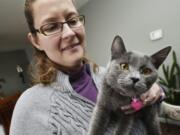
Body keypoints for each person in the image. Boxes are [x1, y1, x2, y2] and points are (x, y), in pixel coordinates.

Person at [10, 0, 165, 135]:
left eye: (72, 20)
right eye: (51, 27)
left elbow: (150, 112)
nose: (69, 33)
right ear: (36, 41)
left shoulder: (109, 75)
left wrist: (154, 92)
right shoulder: (29, 108)